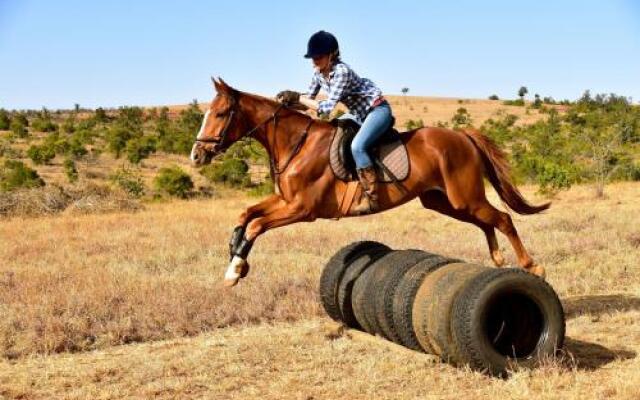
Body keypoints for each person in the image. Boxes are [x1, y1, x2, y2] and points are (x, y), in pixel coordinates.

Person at [276, 30, 394, 214]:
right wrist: (288, 103)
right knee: (332, 131)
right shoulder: (318, 74)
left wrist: (299, 97)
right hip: (357, 114)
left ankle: (372, 197)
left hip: (377, 110)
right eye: (312, 57)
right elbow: (308, 103)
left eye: (319, 56)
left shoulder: (341, 72)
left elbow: (325, 108)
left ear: (332, 55)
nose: (315, 61)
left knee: (357, 147)